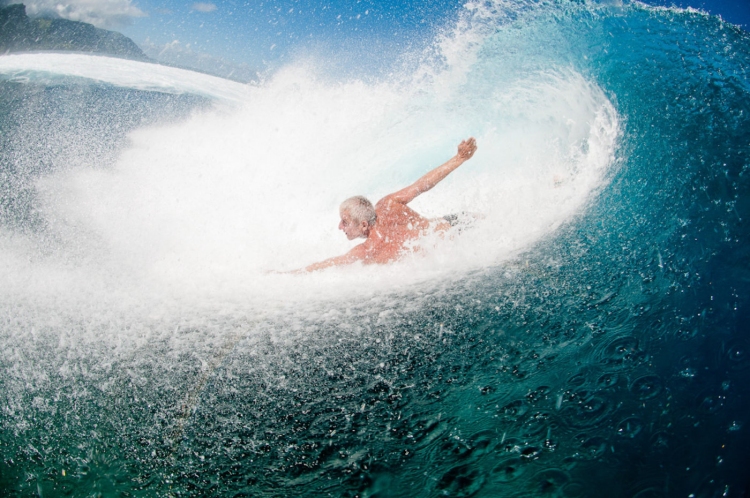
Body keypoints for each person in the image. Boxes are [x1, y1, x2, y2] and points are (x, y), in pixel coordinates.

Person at [302, 137, 477, 272]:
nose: (340, 226)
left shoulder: (368, 250)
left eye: (345, 222)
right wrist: (459, 158)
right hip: (456, 225)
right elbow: (421, 185)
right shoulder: (388, 204)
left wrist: (289, 275)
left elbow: (329, 264)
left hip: (453, 241)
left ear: (363, 225)